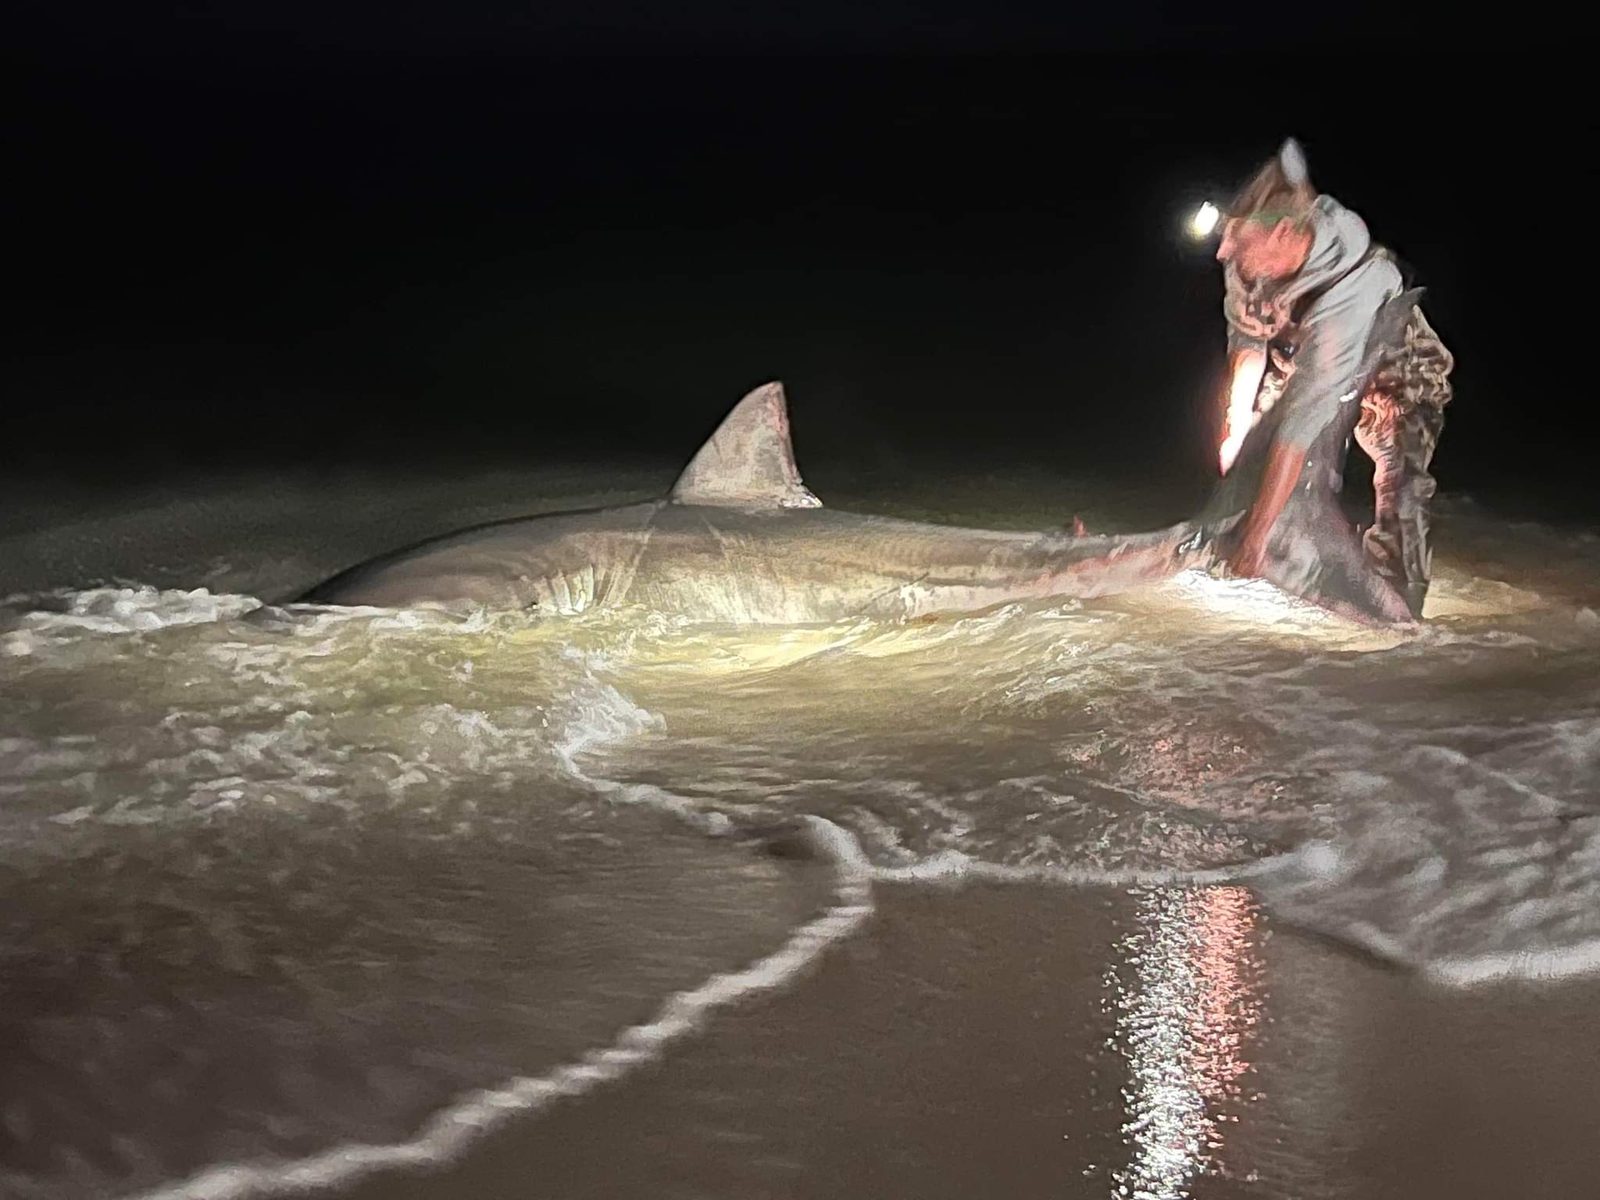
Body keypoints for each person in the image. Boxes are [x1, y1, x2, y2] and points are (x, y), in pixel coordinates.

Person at [1210, 139, 1453, 620]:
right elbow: (1248, 344)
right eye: (1227, 235)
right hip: (1302, 352)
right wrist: (1236, 427)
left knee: (1397, 477)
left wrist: (1256, 538)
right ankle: (1246, 542)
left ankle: (1401, 614)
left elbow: (1304, 420)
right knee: (1255, 452)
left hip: (1395, 368)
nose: (1222, 252)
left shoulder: (1352, 286)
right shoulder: (1248, 261)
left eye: (1237, 239)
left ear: (1282, 233)